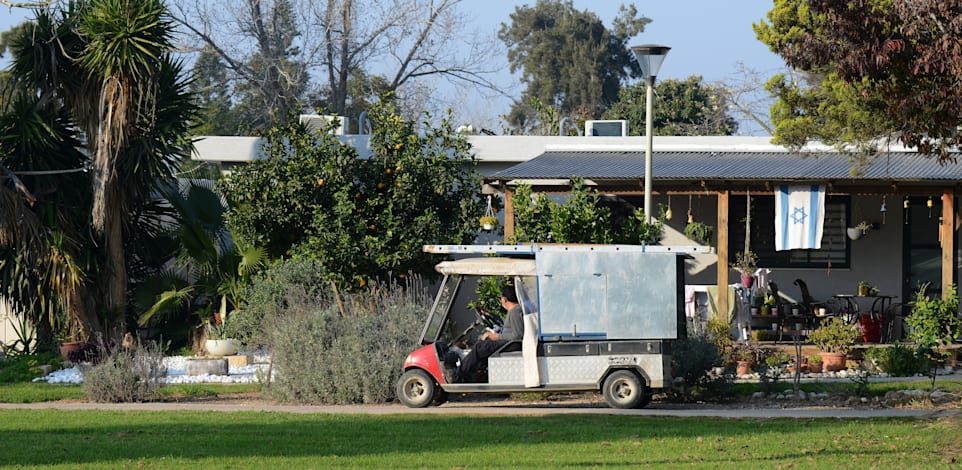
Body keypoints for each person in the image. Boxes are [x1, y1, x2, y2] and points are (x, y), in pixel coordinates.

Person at [456, 282, 524, 382]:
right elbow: (506, 326)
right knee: (483, 344)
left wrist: (497, 336)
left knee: (480, 347)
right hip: (509, 342)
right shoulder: (515, 310)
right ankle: (475, 375)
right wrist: (489, 315)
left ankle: (458, 375)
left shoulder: (515, 312)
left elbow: (518, 335)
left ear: (504, 299)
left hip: (512, 344)